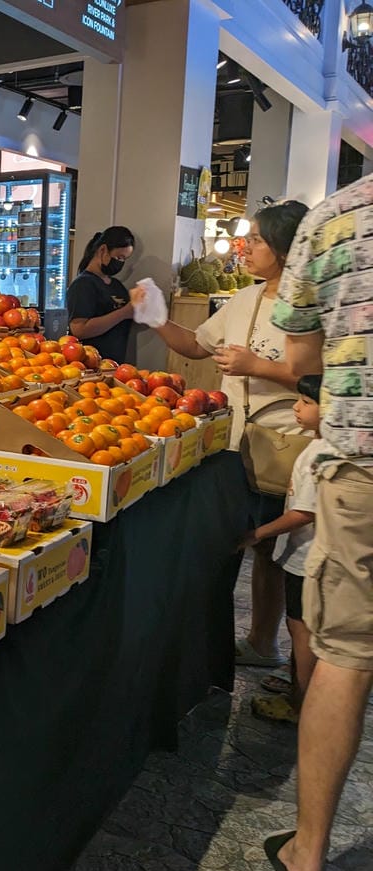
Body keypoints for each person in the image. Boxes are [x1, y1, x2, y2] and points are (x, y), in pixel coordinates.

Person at [263, 176, 373, 871]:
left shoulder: (338, 216)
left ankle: (308, 856)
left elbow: (299, 361)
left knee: (346, 653)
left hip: (364, 467)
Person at [152, 200, 309, 670]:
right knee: (241, 543)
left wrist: (256, 366)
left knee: (277, 554)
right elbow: (195, 345)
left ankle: (267, 643)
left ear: (284, 248)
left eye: (256, 240)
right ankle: (243, 644)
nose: (246, 247)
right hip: (233, 446)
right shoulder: (246, 299)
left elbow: (318, 380)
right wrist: (154, 316)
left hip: (286, 444)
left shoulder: (310, 306)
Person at [241, 375, 323, 725]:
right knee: (299, 626)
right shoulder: (320, 447)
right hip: (306, 557)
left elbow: (304, 512)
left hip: (308, 560)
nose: (296, 408)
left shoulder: (318, 455)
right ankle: (298, 687)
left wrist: (258, 533)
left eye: (306, 403)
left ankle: (302, 704)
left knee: (301, 629)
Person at [68, 226, 137, 364]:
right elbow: (79, 329)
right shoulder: (83, 284)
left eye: (124, 259)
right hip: (90, 365)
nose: (121, 263)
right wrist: (124, 313)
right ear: (103, 250)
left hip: (115, 366)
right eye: (119, 257)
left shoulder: (117, 285)